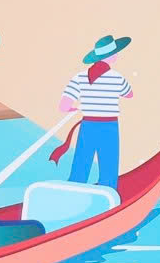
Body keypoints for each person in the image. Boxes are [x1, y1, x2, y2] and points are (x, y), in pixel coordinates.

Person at [53, 34, 132, 188]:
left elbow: (63, 106)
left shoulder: (79, 77)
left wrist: (72, 108)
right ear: (112, 56)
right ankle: (108, 195)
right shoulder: (117, 78)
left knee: (81, 164)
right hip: (109, 127)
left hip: (88, 125)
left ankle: (73, 192)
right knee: (108, 167)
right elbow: (129, 94)